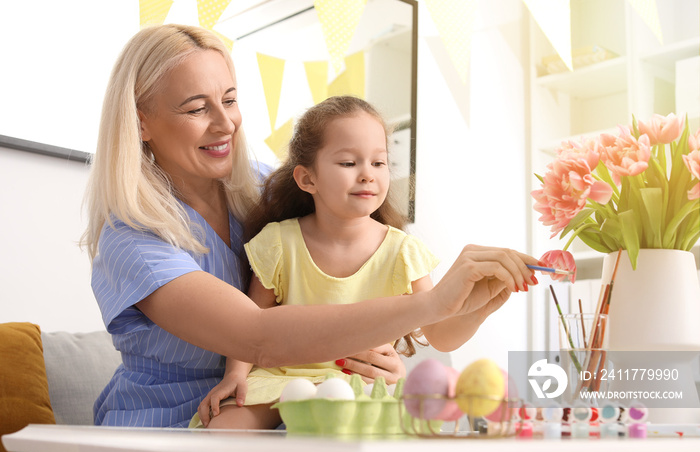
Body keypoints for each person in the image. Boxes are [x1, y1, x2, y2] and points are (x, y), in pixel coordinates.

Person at [81, 23, 540, 429]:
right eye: (196, 108)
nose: (226, 124)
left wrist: (382, 360)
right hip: (165, 430)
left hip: (291, 410)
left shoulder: (268, 189)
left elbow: (351, 278)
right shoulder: (132, 243)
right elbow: (259, 338)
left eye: (230, 100)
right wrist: (436, 303)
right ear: (141, 121)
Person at [193, 95, 441, 429]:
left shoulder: (403, 252)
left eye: (379, 163)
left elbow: (439, 328)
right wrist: (235, 375)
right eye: (349, 163)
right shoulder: (280, 242)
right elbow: (251, 323)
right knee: (224, 430)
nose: (368, 174)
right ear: (308, 179)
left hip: (356, 380)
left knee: (349, 424)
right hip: (280, 375)